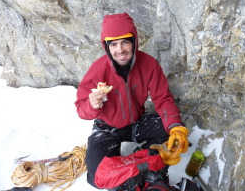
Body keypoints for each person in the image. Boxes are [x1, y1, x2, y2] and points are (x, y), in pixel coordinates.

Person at [75, 12, 189, 190]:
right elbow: (81, 109)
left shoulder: (148, 64)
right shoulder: (98, 70)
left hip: (136, 123)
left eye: (125, 42)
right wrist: (91, 105)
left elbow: (163, 99)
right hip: (107, 129)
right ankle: (146, 163)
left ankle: (140, 163)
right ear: (106, 46)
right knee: (96, 177)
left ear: (134, 41)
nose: (120, 50)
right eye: (113, 44)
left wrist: (175, 127)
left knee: (169, 129)